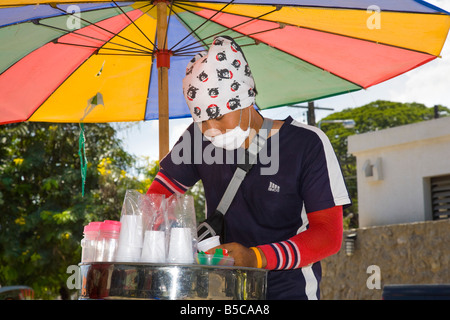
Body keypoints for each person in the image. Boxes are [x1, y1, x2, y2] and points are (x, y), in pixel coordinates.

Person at [147, 35, 351, 300]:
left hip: (289, 292)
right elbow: (156, 198)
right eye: (201, 120)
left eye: (218, 116)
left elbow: (328, 236)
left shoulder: (306, 144)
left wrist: (256, 257)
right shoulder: (197, 139)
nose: (211, 129)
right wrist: (170, 230)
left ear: (246, 97)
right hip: (221, 294)